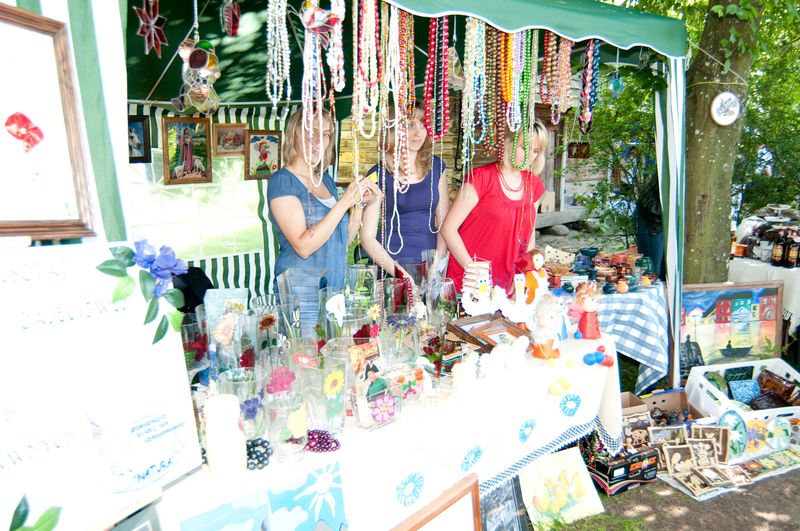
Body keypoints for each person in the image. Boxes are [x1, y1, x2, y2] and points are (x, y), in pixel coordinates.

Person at [267, 109, 380, 294]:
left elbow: (343, 240)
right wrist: (345, 202)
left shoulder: (325, 180)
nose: (319, 141)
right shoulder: (282, 181)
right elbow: (303, 247)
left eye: (325, 134)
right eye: (312, 131)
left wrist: (358, 204)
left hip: (334, 291)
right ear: (295, 134)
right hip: (300, 295)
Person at [442, 121, 549, 293]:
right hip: (470, 279)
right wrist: (471, 268)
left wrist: (525, 272)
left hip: (509, 280)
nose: (531, 156)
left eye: (536, 151)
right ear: (508, 143)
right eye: (525, 148)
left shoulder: (534, 184)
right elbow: (448, 228)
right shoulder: (481, 178)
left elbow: (529, 237)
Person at [361, 102, 450, 276]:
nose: (418, 133)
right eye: (410, 125)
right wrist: (401, 274)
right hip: (391, 265)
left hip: (430, 264)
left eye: (423, 125)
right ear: (394, 129)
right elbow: (367, 238)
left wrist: (436, 264)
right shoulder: (377, 174)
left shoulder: (437, 167)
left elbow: (444, 224)